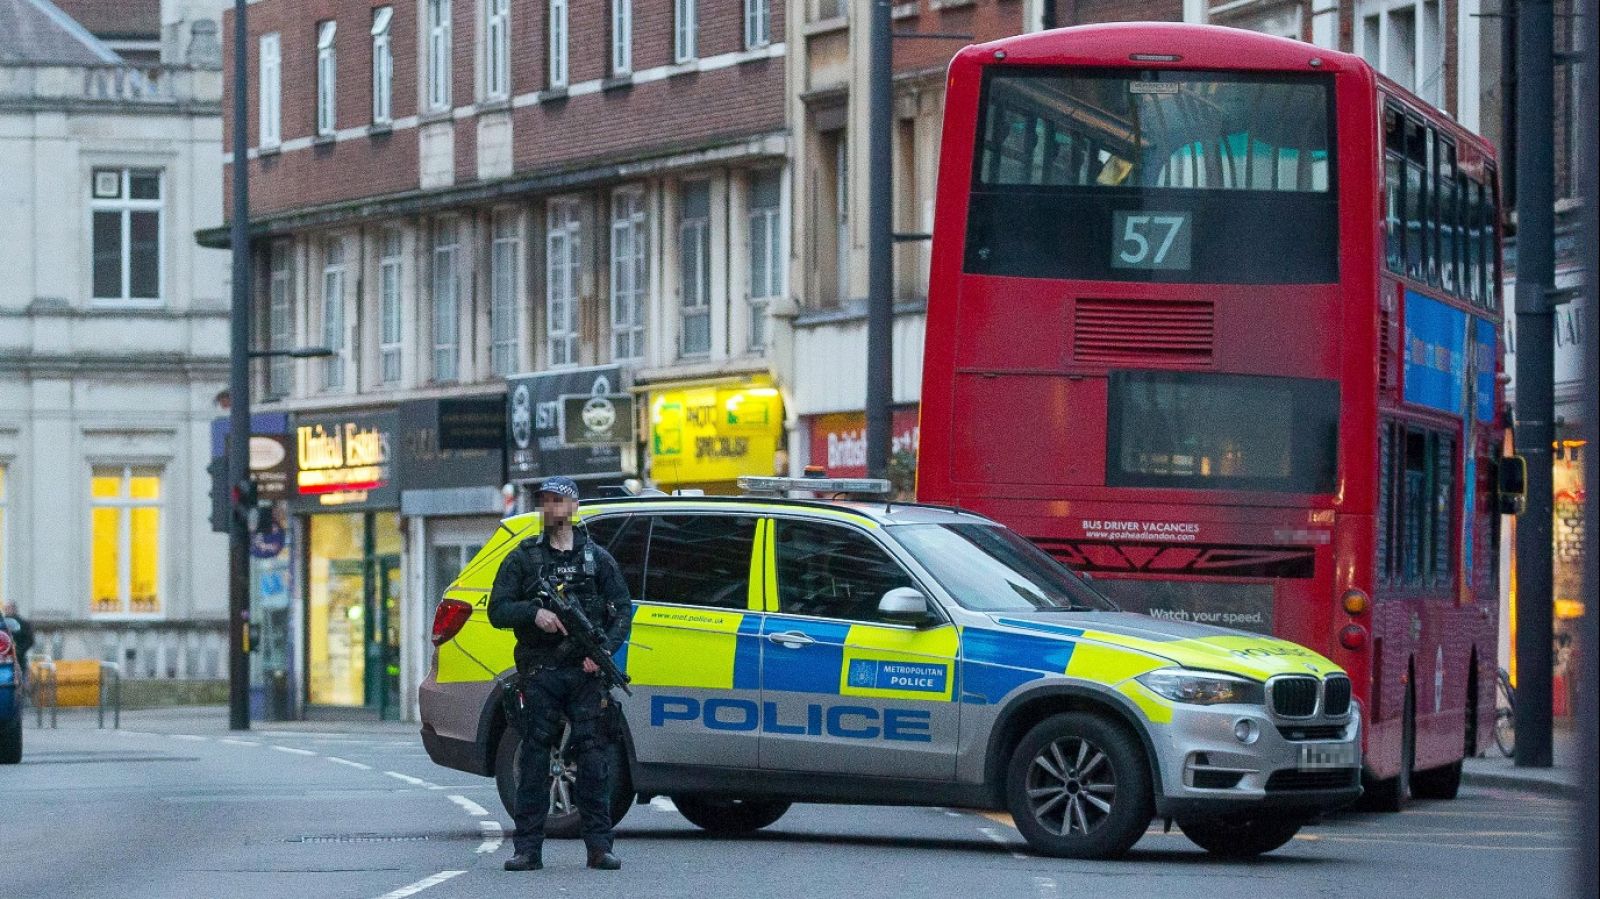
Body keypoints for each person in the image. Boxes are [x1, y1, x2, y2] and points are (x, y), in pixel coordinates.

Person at [488, 476, 631, 872]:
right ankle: (528, 848)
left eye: (556, 501)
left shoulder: (597, 559)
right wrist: (535, 613)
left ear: (573, 507)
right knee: (534, 759)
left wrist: (601, 652)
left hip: (585, 674)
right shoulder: (524, 557)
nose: (549, 508)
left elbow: (622, 609)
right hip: (541, 672)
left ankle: (599, 847)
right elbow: (497, 609)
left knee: (594, 760)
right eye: (544, 502)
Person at [2, 602, 33, 677]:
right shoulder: (2, 623)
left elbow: (30, 640)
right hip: (3, 658)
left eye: (8, 608)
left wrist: (19, 651)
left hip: (19, 658)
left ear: (14, 609)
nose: (6, 610)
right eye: (5, 608)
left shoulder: (23, 624)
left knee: (20, 678)